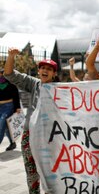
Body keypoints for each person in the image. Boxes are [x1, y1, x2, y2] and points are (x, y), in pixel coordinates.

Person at [4, 48, 58, 194]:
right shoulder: (33, 84)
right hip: (30, 135)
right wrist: (10, 56)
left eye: (49, 69)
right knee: (31, 171)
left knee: (50, 170)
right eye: (42, 68)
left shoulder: (61, 90)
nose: (45, 70)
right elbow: (9, 74)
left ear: (54, 73)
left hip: (51, 138)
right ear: (39, 71)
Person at [0, 69, 21, 151]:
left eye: (2, 74)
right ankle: (12, 143)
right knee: (7, 127)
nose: (1, 75)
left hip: (8, 107)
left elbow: (16, 96)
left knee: (1, 125)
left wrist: (17, 108)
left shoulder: (11, 84)